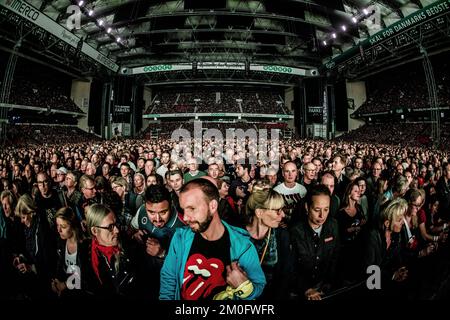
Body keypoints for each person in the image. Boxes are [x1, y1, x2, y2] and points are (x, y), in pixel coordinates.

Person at [160, 179, 266, 300]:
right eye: (184, 209)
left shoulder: (243, 247)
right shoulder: (180, 238)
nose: (185, 217)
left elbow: (259, 288)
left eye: (192, 209)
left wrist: (244, 287)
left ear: (213, 206)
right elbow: (168, 281)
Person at [131, 184, 184, 299]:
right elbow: (132, 227)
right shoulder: (141, 211)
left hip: (167, 286)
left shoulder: (183, 225)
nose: (157, 219)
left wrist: (162, 254)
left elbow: (185, 266)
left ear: (171, 205)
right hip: (142, 278)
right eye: (151, 212)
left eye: (163, 212)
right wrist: (135, 234)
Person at [290, 185, 340, 300]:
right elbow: (291, 267)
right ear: (307, 207)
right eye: (317, 210)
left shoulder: (333, 225)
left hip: (325, 287)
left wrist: (328, 284)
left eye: (326, 209)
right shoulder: (295, 231)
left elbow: (335, 257)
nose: (322, 215)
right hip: (299, 291)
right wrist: (306, 289)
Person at [80, 203, 136, 298]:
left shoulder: (129, 246)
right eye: (110, 227)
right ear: (94, 231)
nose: (117, 230)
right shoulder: (86, 253)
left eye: (116, 224)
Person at [245, 188, 291, 300]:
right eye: (277, 210)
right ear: (259, 212)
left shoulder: (282, 234)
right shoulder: (237, 234)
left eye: (282, 209)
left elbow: (286, 274)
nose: (283, 215)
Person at [51, 207, 84, 298]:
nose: (59, 230)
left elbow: (84, 277)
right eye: (58, 225)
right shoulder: (61, 241)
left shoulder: (84, 246)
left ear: (73, 226)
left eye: (63, 226)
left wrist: (65, 284)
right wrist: (56, 280)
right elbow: (60, 264)